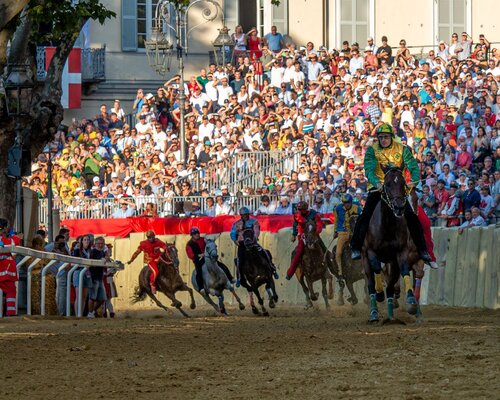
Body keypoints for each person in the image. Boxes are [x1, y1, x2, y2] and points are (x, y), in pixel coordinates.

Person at [350, 123, 432, 262]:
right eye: (380, 137)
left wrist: (413, 180)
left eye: (386, 137)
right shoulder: (372, 150)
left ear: (392, 137)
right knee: (365, 215)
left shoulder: (402, 149)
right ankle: (356, 246)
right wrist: (377, 182)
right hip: (378, 188)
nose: (383, 140)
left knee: (411, 216)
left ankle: (422, 249)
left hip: (397, 189)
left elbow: (413, 166)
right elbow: (369, 169)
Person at [230, 207, 278, 286]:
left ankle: (272, 268)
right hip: (242, 244)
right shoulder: (236, 224)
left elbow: (256, 231)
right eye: (243, 215)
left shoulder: (254, 221)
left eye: (246, 214)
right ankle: (239, 277)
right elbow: (232, 233)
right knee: (239, 260)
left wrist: (254, 238)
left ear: (248, 214)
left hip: (252, 242)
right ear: (241, 215)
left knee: (265, 252)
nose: (245, 216)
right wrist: (235, 240)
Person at [185, 227, 234, 294]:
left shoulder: (203, 240)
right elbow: (190, 255)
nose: (197, 234)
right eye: (194, 234)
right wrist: (199, 255)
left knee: (220, 264)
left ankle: (230, 278)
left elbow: (209, 244)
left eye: (197, 233)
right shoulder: (189, 244)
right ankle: (201, 287)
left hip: (207, 257)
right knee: (198, 271)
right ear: (192, 235)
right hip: (198, 260)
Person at [286, 201, 324, 280]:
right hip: (302, 235)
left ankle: (331, 266)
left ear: (305, 209)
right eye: (298, 209)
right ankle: (290, 273)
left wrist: (316, 232)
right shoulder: (297, 215)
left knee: (323, 247)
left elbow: (319, 224)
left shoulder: (314, 214)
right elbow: (295, 224)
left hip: (313, 234)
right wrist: (294, 234)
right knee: (299, 252)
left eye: (300, 209)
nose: (298, 211)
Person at [127, 230, 167, 294]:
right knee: (155, 271)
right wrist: (131, 260)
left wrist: (165, 249)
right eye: (149, 237)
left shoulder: (158, 241)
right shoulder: (143, 244)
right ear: (147, 237)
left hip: (159, 259)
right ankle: (152, 284)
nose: (151, 238)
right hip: (151, 260)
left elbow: (164, 246)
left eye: (152, 237)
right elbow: (136, 253)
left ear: (154, 236)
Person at [333, 194, 361, 279]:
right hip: (342, 233)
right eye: (344, 203)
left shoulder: (357, 208)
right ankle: (340, 272)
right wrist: (335, 231)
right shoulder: (337, 208)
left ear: (351, 202)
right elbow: (336, 220)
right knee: (338, 253)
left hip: (355, 233)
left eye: (348, 202)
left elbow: (363, 218)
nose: (346, 204)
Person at [0, 218, 21, 316]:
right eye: (6, 227)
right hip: (4, 271)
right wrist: (17, 236)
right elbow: (14, 243)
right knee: (11, 290)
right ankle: (11, 313)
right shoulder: (3, 239)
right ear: (3, 228)